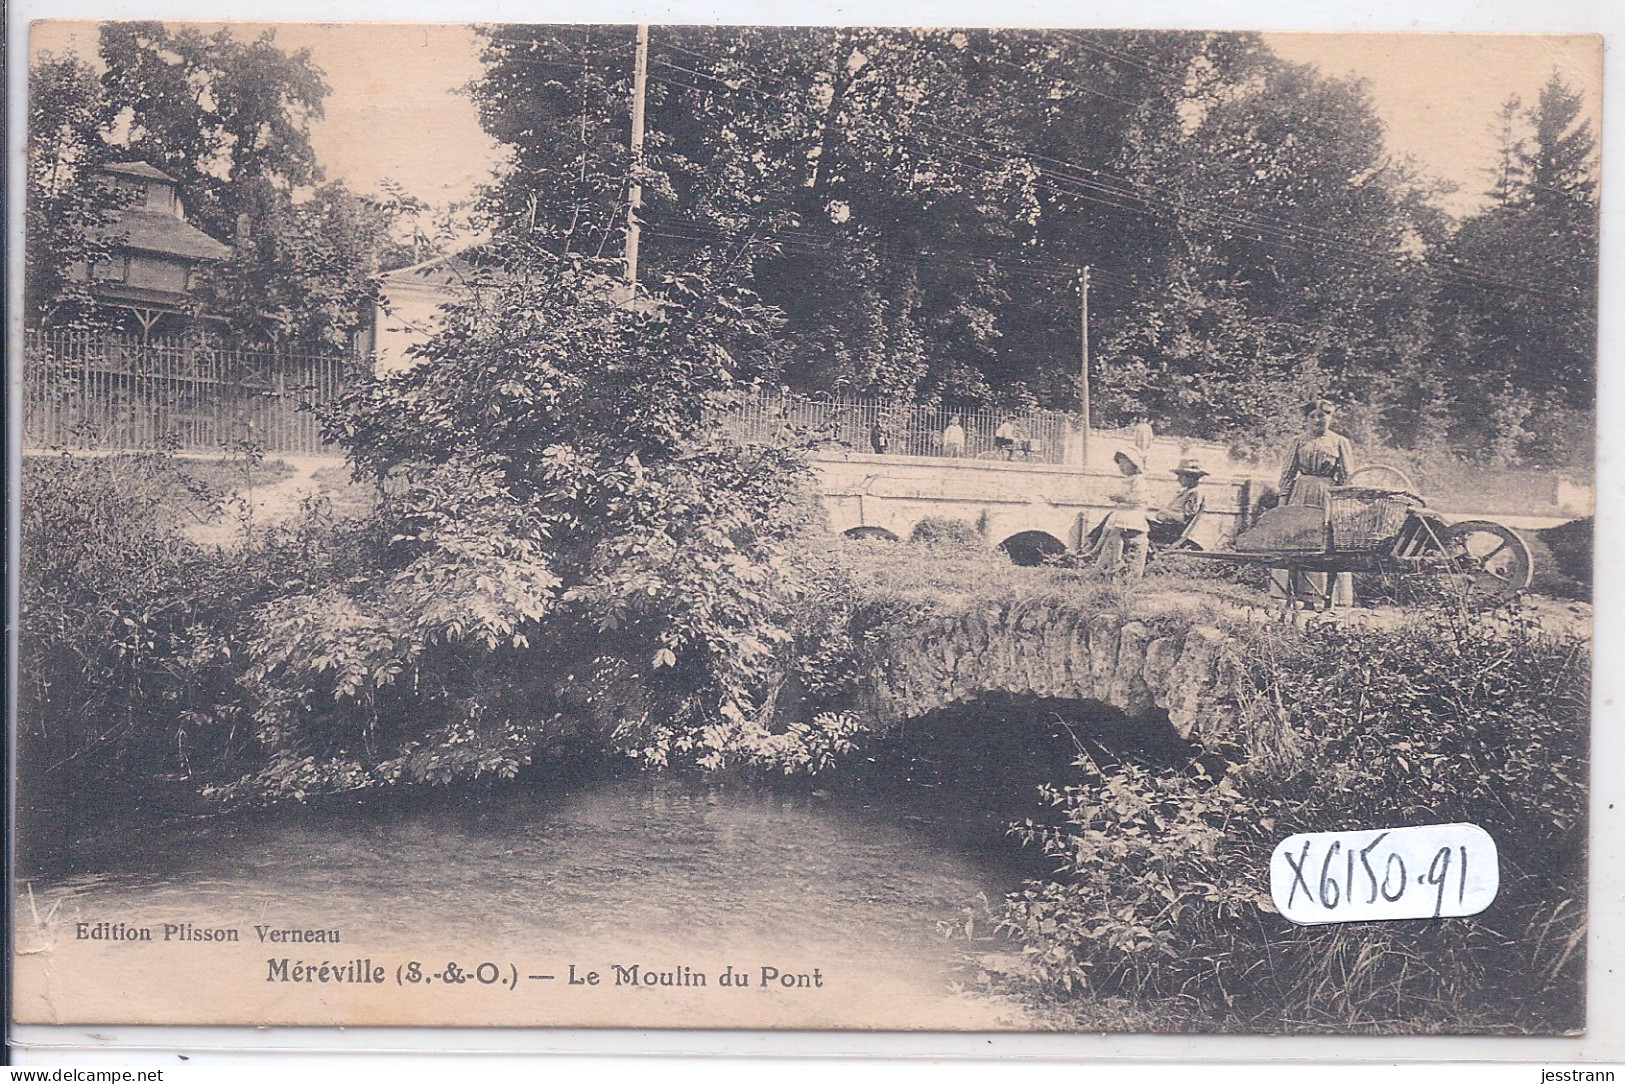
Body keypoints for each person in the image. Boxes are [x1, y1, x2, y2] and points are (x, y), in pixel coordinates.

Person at [1273, 398, 1356, 607]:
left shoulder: (1339, 442)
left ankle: (1323, 598)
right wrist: (1282, 503)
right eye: (1313, 416)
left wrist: (1342, 503)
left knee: (1325, 543)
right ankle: (1292, 595)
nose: (1318, 420)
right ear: (1306, 419)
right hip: (1300, 494)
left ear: (1331, 417)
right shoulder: (1298, 441)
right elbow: (1287, 473)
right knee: (1296, 540)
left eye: (1324, 415)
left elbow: (1347, 476)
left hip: (1327, 496)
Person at [1097, 447, 1150, 579]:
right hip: (1124, 512)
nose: (1121, 466)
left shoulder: (1139, 480)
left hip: (1133, 514)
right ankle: (1095, 551)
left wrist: (1123, 498)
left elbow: (1141, 498)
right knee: (1106, 530)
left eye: (1124, 463)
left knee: (1115, 531)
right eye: (1119, 463)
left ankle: (1117, 560)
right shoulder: (1127, 480)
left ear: (1134, 464)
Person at [1148, 458, 1208, 547]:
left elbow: (1183, 518)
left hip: (1171, 532)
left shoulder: (1194, 493)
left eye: (1181, 476)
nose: (1178, 479)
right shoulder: (1186, 492)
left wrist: (1164, 511)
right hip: (1166, 527)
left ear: (1191, 477)